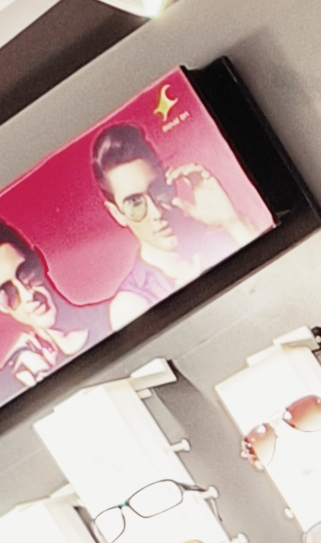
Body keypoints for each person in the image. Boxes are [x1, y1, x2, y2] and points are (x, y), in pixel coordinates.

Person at [89, 122, 257, 332]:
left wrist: (233, 221)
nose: (156, 212)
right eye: (134, 203)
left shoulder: (225, 239)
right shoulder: (131, 305)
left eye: (157, 189)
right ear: (117, 214)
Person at [0, 222, 110, 397]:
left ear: (40, 260)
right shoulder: (16, 376)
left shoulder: (116, 316)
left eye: (27, 272)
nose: (28, 295)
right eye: (7, 293)